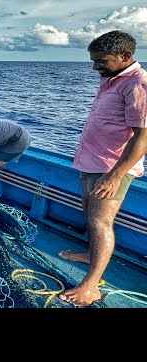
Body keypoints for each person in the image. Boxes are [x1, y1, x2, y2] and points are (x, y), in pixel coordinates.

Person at [58, 30, 147, 308]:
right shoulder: (112, 79)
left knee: (100, 222)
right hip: (91, 160)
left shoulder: (138, 84)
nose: (95, 66)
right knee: (88, 212)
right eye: (93, 60)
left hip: (110, 167)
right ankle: (90, 253)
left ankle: (90, 286)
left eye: (101, 61)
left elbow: (142, 137)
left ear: (125, 56)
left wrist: (115, 175)